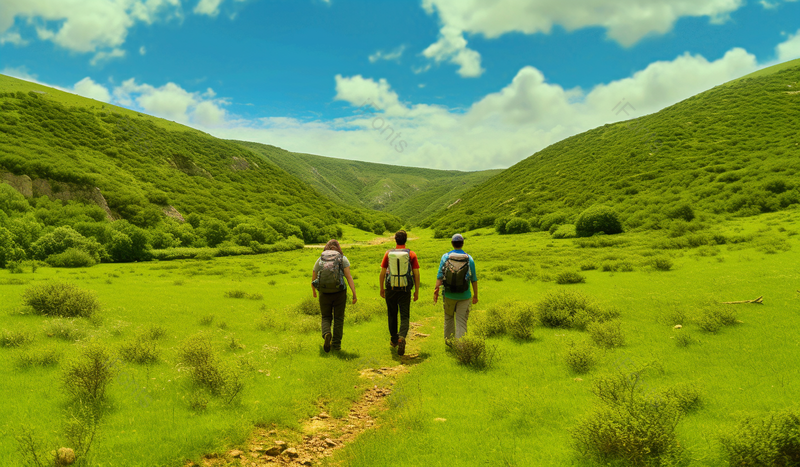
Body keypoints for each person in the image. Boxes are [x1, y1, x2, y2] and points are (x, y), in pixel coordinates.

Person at [379, 230, 420, 356]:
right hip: (405, 289)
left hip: (390, 288)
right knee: (404, 315)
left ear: (395, 240)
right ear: (405, 240)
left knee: (392, 314)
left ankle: (394, 339)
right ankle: (402, 336)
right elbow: (416, 274)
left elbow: (382, 272)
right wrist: (416, 291)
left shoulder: (388, 253)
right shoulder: (411, 254)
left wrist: (381, 288)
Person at [311, 239, 357, 352]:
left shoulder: (321, 259)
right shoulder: (342, 258)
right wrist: (354, 294)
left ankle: (326, 333)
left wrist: (314, 290)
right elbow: (348, 276)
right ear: (338, 248)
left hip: (324, 292)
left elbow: (314, 274)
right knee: (338, 319)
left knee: (326, 317)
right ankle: (336, 346)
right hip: (339, 292)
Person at [433, 233, 478, 345]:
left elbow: (439, 277)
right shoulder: (469, 258)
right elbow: (474, 279)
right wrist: (475, 295)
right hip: (465, 295)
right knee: (461, 321)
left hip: (448, 295)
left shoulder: (445, 257)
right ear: (462, 244)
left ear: (452, 243)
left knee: (448, 318)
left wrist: (436, 292)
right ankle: (461, 347)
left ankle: (449, 343)